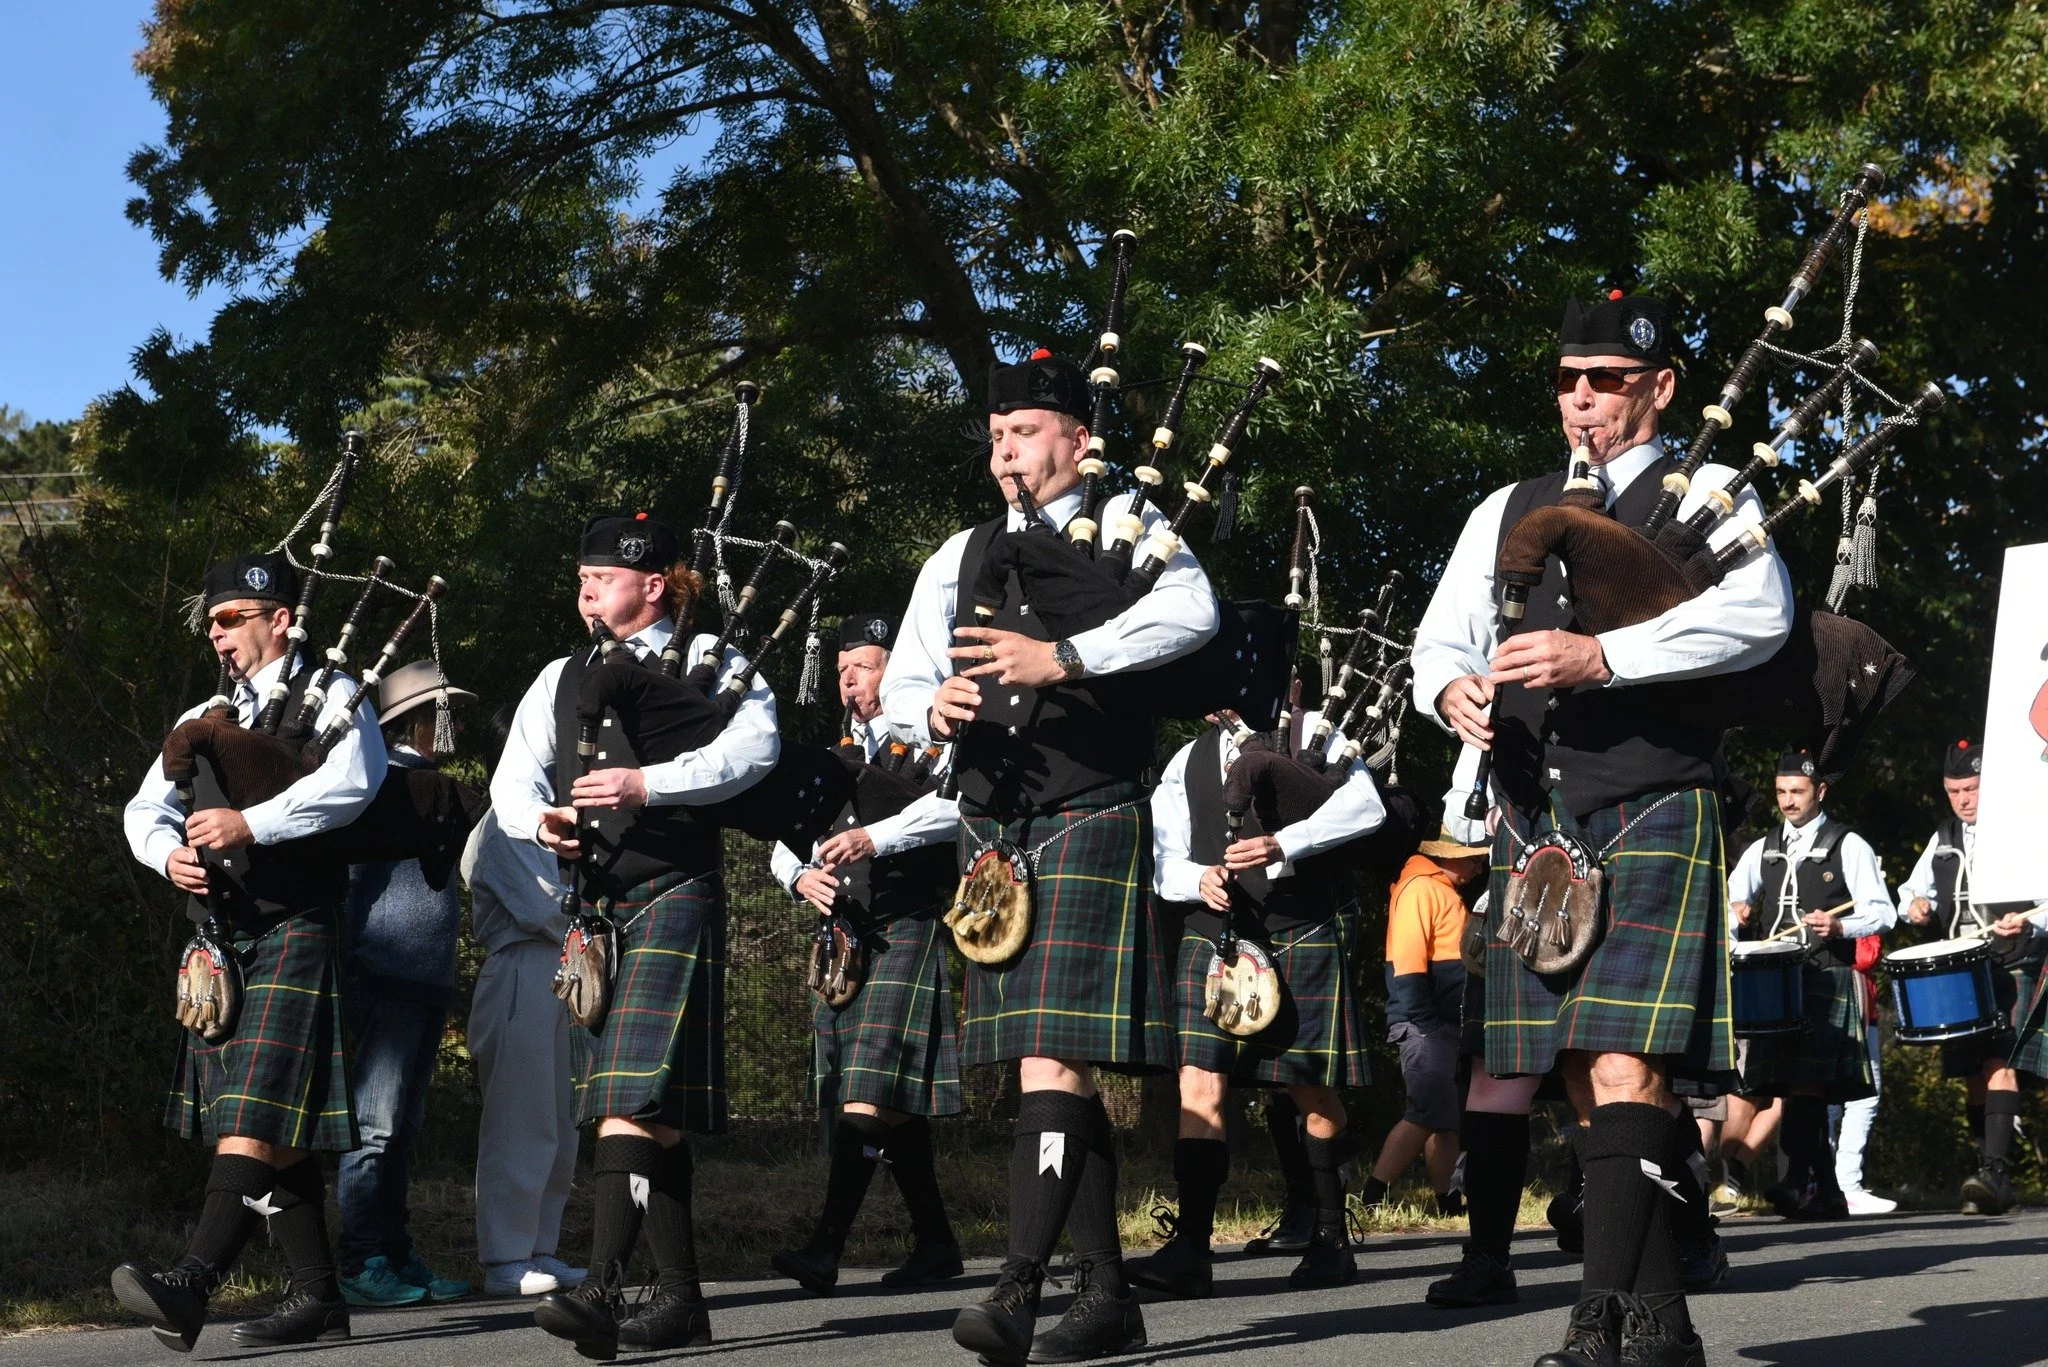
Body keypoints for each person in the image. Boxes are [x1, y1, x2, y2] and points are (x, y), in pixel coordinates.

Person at [1413, 292, 1793, 1367]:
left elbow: (1758, 616)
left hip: (1653, 795)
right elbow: (1439, 638)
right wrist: (1449, 692)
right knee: (1582, 1078)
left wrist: (1604, 658)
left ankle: (1593, 1327)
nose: (1582, 399)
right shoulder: (1506, 505)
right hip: (1531, 813)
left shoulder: (1709, 492)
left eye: (1608, 380)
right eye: (1568, 379)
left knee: (1623, 1064)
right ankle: (1662, 1326)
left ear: (1657, 388)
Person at [881, 348, 1217, 1364]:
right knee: (1048, 1071)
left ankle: (1019, 1283)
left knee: (1048, 1061)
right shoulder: (960, 552)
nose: (1003, 453)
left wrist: (1064, 657)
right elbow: (902, 682)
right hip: (993, 829)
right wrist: (926, 712)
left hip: (1088, 809)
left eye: (1021, 433)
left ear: (1076, 438)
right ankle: (1107, 1294)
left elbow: (1191, 614)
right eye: (993, 437)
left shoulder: (1127, 526)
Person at [493, 513, 779, 1358]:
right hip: (598, 910)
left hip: (674, 886)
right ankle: (683, 1298)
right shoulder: (558, 676)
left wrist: (646, 784)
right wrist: (542, 821)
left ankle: (604, 1289)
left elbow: (754, 751)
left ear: (653, 585)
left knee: (623, 1095)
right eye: (580, 577)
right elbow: (514, 779)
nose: (586, 591)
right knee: (655, 1112)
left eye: (604, 578)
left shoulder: (710, 662)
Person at [114, 553, 388, 1351]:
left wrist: (250, 824)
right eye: (210, 623)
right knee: (283, 1128)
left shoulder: (334, 697)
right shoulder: (209, 711)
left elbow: (354, 781)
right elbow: (144, 805)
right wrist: (167, 853)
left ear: (280, 618)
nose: (217, 635)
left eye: (230, 618)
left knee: (252, 1111)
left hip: (297, 921)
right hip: (223, 940)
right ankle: (319, 1298)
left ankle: (194, 1281)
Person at [1125, 711, 1385, 1298]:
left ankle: (1330, 1236)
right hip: (1213, 929)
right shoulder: (1186, 760)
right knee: (1199, 1080)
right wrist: (1197, 879)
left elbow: (1368, 807)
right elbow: (1165, 856)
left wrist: (1284, 841)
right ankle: (1191, 1248)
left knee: (1307, 1088)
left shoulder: (1313, 731)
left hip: (1300, 924)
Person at [768, 611, 966, 1294]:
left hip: (906, 924)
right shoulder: (832, 755)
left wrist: (877, 838)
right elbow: (782, 837)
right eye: (845, 668)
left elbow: (955, 811)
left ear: (898, 669)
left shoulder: (938, 746)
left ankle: (825, 1248)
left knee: (868, 1088)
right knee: (888, 1103)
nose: (851, 678)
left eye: (867, 664)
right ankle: (937, 1243)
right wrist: (799, 874)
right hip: (846, 941)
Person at [336, 660, 479, 1307]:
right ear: (415, 719)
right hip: (385, 975)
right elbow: (352, 884)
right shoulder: (380, 786)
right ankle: (362, 1258)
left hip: (426, 980)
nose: (451, 725)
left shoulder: (433, 786)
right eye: (442, 713)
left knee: (406, 1125)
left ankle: (396, 1251)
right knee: (377, 1126)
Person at [1726, 751, 1895, 1220]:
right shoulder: (1765, 847)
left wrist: (1841, 928)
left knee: (1806, 1083)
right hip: (1775, 975)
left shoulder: (1849, 845)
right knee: (1795, 1084)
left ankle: (1797, 1179)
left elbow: (1884, 911)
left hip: (1825, 974)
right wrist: (1737, 916)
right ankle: (1828, 1193)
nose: (1788, 802)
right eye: (1781, 792)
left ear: (1820, 791)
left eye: (1797, 792)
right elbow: (1731, 897)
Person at [465, 704, 585, 1299]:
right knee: (520, 1118)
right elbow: (542, 910)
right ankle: (505, 1257)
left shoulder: (557, 820)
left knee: (560, 1122)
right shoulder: (504, 823)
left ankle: (540, 1248)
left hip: (563, 970)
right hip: (523, 967)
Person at [1894, 738, 2043, 1214]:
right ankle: (1988, 1170)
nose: (1964, 800)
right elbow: (1912, 892)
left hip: (2012, 957)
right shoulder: (1943, 838)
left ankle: (1996, 1172)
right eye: (1954, 790)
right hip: (1961, 968)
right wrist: (1914, 907)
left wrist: (2030, 919)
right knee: (1973, 1075)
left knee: (1998, 1063)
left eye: (1972, 788)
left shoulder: (2023, 832)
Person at [1364, 830, 1488, 1220]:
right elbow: (1408, 961)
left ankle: (1449, 1205)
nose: (1477, 867)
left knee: (1444, 1118)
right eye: (1471, 858)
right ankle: (1372, 1195)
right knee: (1425, 1112)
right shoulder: (1420, 888)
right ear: (1448, 855)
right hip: (1426, 1024)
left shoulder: (1442, 890)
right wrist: (1427, 1023)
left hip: (1441, 1023)